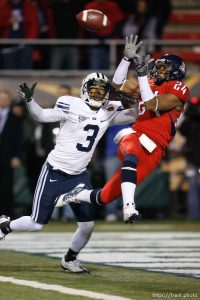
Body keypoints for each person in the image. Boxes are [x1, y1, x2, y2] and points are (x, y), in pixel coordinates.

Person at [0, 72, 137, 273]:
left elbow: (134, 115)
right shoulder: (70, 104)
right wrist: (30, 100)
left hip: (79, 175)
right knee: (37, 224)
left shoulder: (108, 111)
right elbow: (42, 116)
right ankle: (5, 226)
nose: (98, 94)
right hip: (55, 171)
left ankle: (69, 260)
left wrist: (130, 100)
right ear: (84, 89)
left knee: (87, 226)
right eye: (94, 89)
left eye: (102, 90)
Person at [55, 34, 189, 224]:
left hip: (155, 149)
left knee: (105, 196)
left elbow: (151, 104)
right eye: (158, 66)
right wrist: (126, 59)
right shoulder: (148, 84)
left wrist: (142, 76)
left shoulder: (177, 87)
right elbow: (117, 84)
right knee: (131, 150)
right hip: (136, 135)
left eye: (164, 67)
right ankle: (129, 207)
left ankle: (75, 195)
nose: (158, 70)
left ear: (176, 72)